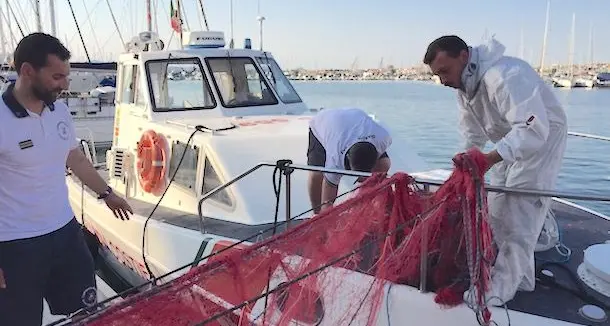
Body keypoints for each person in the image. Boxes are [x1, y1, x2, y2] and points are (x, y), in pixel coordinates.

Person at [0, 33, 133, 326]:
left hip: (65, 233)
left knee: (86, 310)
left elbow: (74, 158)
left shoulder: (59, 110)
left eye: (67, 76)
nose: (64, 84)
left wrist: (107, 194)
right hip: (14, 245)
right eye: (57, 76)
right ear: (27, 71)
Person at [423, 35, 568, 304]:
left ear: (464, 57)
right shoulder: (466, 88)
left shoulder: (504, 76)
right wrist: (466, 160)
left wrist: (488, 159)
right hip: (508, 143)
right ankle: (521, 277)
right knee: (497, 207)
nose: (442, 80)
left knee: (518, 212)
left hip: (541, 140)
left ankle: (500, 288)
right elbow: (472, 133)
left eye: (444, 71)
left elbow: (533, 128)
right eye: (437, 74)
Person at [307, 107, 392, 213]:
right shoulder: (335, 159)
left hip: (356, 119)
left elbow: (384, 163)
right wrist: (324, 215)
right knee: (317, 173)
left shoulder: (383, 137)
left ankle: (370, 205)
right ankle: (316, 215)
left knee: (383, 165)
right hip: (324, 122)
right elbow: (327, 201)